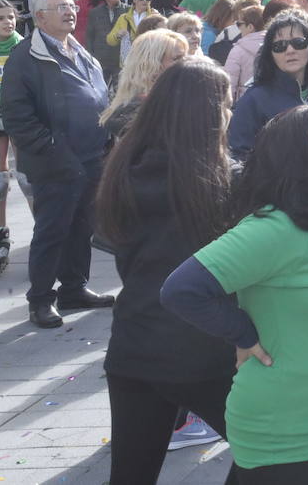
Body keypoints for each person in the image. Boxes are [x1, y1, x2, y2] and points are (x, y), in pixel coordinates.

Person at [162, 104, 308, 483]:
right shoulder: (274, 228)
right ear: (296, 160)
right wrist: (243, 333)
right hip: (289, 435)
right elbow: (182, 289)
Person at [96, 58, 236, 483]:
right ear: (208, 115)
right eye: (227, 104)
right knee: (273, 451)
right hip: (202, 351)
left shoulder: (123, 169)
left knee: (131, 473)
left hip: (134, 343)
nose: (231, 113)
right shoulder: (220, 182)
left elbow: (122, 254)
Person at [0, 0, 114, 328]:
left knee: (82, 227)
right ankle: (40, 299)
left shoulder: (77, 49)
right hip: (55, 163)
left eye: (70, 6)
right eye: (60, 7)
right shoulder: (25, 57)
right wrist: (53, 149)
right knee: (53, 231)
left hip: (90, 157)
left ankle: (74, 288)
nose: (69, 11)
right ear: (40, 17)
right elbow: (17, 115)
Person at [228, 11, 308, 159]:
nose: (290, 50)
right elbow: (239, 157)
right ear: (270, 54)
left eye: (298, 43)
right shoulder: (253, 100)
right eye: (279, 46)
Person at [99, 29, 191, 139]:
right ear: (152, 66)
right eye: (177, 58)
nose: (186, 63)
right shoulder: (142, 114)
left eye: (186, 57)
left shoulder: (173, 100)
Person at [0, 0, 25, 274]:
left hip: (19, 117)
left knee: (27, 177)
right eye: (1, 18)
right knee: (0, 179)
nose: (8, 22)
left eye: (10, 17)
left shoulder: (23, 46)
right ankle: (1, 232)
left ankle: (43, 230)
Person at [224, 3, 267, 101]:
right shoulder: (275, 46)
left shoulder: (238, 50)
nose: (238, 28)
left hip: (245, 101)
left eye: (239, 24)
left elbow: (229, 84)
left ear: (250, 27)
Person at [87, 0, 126, 83]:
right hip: (101, 59)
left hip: (121, 60)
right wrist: (90, 55)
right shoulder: (95, 12)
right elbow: (89, 36)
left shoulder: (128, 11)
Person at [107, 0, 154, 65]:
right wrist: (118, 35)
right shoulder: (124, 18)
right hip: (128, 63)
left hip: (149, 62)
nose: (145, 1)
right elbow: (110, 40)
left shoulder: (155, 17)